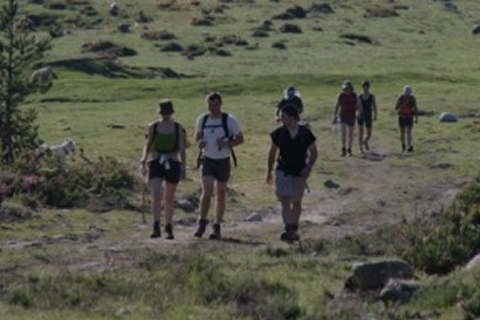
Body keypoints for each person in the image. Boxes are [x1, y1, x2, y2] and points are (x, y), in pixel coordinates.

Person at [194, 92, 244, 240]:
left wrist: (227, 143)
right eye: (210, 105)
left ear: (220, 104)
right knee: (207, 191)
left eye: (215, 105)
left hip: (223, 160)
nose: (213, 108)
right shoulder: (202, 119)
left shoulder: (228, 120)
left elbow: (240, 138)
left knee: (221, 194)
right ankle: (201, 222)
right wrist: (199, 144)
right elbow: (197, 137)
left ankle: (216, 225)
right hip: (207, 159)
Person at [266, 104, 318, 242]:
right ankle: (288, 228)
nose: (280, 118)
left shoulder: (305, 133)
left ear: (292, 117)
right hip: (283, 169)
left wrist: (308, 168)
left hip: (300, 171)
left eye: (283, 116)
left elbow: (314, 153)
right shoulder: (278, 133)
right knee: (285, 199)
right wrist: (269, 171)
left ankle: (294, 228)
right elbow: (272, 153)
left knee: (296, 202)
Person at [140, 99, 186, 239]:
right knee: (156, 194)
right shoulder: (153, 126)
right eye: (163, 113)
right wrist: (143, 159)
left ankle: (169, 226)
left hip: (172, 161)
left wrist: (183, 166)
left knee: (169, 197)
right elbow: (148, 144)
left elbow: (182, 148)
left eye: (167, 113)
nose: (165, 115)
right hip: (156, 161)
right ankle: (156, 226)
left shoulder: (177, 127)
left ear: (171, 113)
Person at [333, 80, 361, 156]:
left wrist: (359, 114)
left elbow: (359, 106)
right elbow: (337, 106)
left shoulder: (354, 96)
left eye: (347, 89)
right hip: (343, 116)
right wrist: (335, 116)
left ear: (351, 89)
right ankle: (343, 148)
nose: (346, 90)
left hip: (351, 116)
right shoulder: (341, 96)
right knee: (343, 133)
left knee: (350, 134)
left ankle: (349, 149)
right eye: (345, 89)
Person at [395, 85, 418, 152]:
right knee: (402, 132)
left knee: (409, 132)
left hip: (409, 117)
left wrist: (416, 118)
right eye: (406, 93)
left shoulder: (412, 99)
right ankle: (403, 144)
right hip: (402, 117)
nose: (407, 95)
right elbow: (396, 108)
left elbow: (415, 108)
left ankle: (409, 145)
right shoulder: (401, 98)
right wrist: (404, 104)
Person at [357, 80, 378, 153]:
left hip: (369, 115)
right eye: (364, 87)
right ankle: (360, 148)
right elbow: (357, 106)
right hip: (361, 115)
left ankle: (365, 141)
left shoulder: (372, 96)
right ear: (362, 87)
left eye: (367, 87)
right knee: (361, 132)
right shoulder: (359, 96)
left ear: (369, 87)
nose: (365, 89)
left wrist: (375, 115)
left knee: (369, 133)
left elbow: (374, 106)